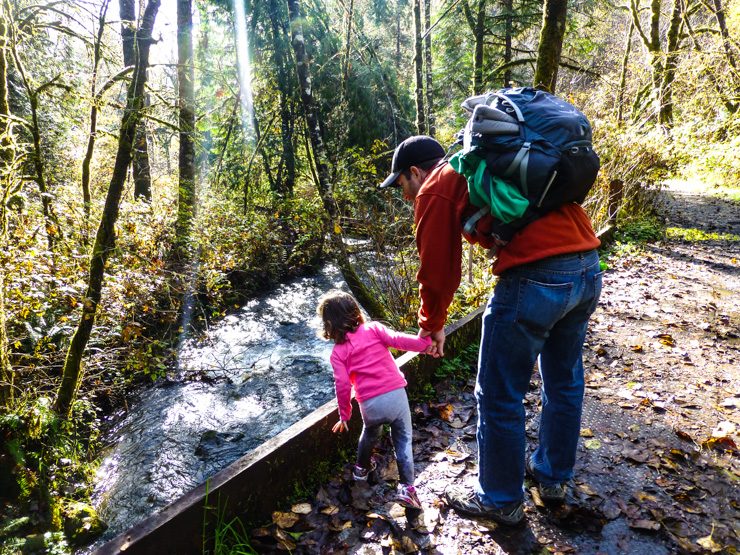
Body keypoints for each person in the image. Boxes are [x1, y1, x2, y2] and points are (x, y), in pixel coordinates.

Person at [379, 135, 603, 525]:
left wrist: (431, 325)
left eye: (401, 185)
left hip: (536, 276)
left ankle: (500, 499)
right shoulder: (485, 165)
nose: (403, 196)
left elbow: (438, 272)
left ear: (415, 172)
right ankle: (553, 478)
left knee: (499, 393)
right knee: (564, 381)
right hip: (586, 265)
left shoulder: (434, 187)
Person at [317, 289, 434, 509]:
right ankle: (407, 489)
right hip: (395, 396)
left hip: (369, 404)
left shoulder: (337, 353)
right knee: (403, 439)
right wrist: (427, 346)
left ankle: (361, 470)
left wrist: (344, 415)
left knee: (369, 433)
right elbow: (400, 340)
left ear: (329, 325)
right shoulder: (374, 329)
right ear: (355, 312)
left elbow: (342, 385)